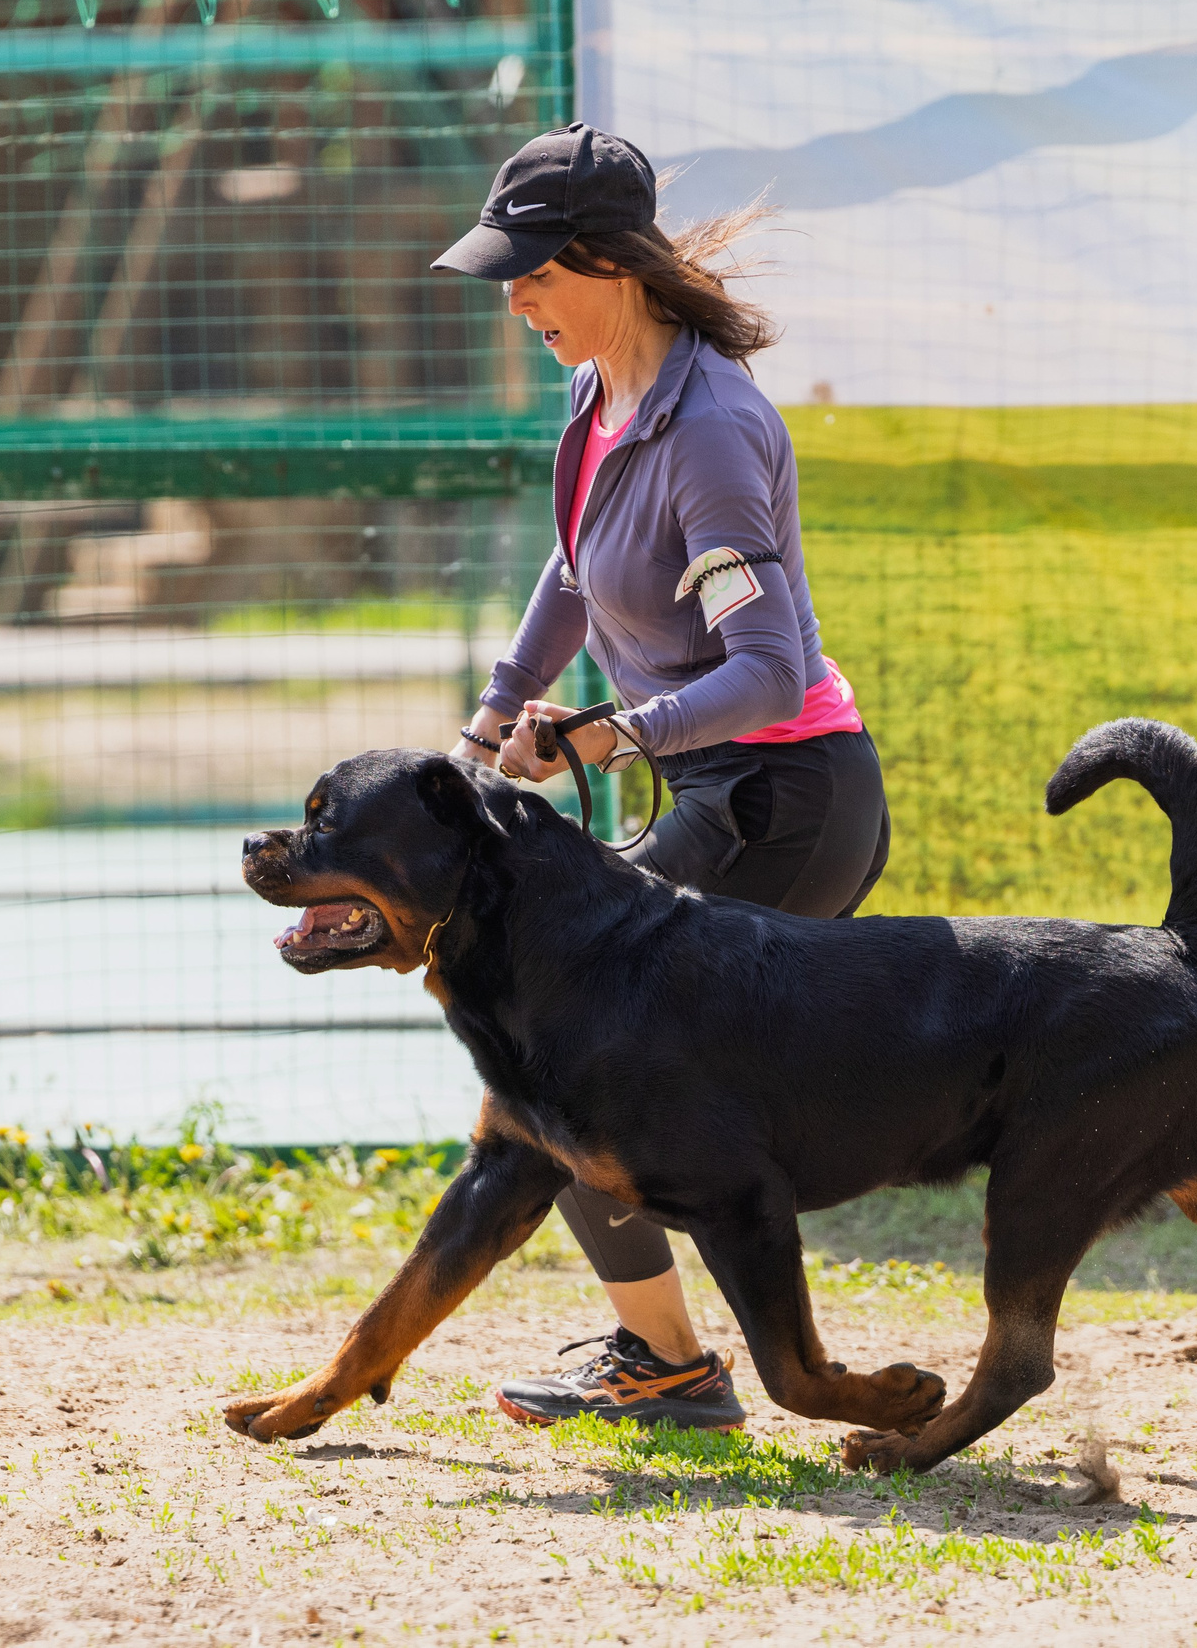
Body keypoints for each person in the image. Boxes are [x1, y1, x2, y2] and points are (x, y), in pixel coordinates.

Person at [429, 123, 891, 1430]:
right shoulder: (600, 398)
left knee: (569, 1072)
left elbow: (770, 672)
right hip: (710, 794)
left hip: (783, 801)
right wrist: (487, 730)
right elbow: (575, 571)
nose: (513, 301)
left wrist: (611, 737)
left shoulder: (713, 431)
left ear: (605, 264)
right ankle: (671, 1361)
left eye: (530, 273)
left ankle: (686, 1368)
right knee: (564, 1074)